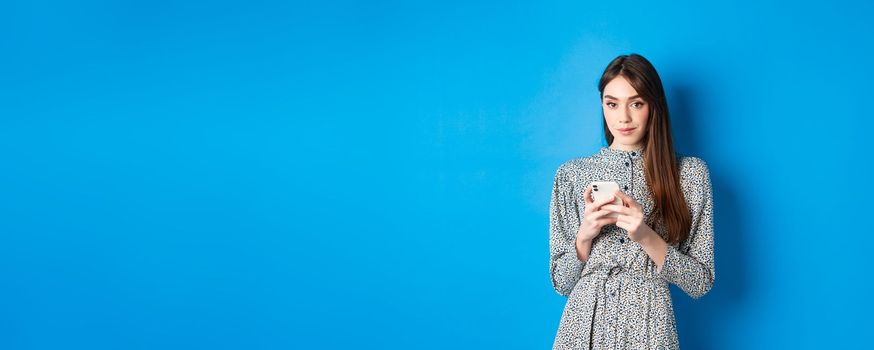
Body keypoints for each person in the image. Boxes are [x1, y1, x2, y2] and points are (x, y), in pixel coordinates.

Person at [549, 53, 715, 349]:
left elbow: (700, 282)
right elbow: (561, 283)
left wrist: (645, 235)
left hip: (650, 323)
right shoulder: (572, 174)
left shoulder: (690, 174)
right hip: (583, 324)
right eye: (612, 103)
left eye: (636, 103)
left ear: (654, 106)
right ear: (602, 105)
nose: (623, 117)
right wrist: (584, 237)